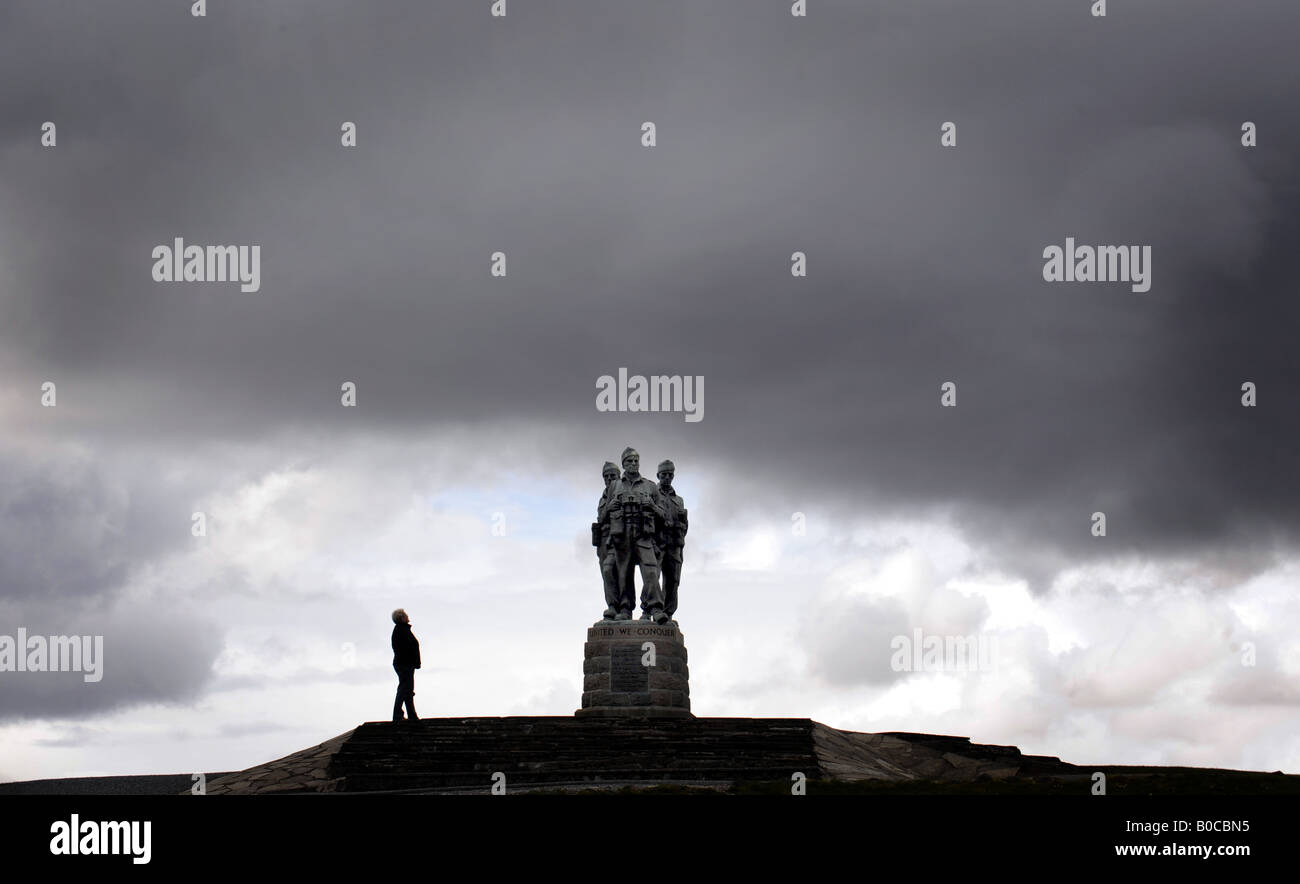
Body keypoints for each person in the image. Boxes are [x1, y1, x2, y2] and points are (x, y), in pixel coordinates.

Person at [600, 447, 668, 623]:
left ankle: (655, 608)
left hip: (643, 534)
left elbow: (664, 515)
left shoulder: (650, 486)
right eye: (629, 461)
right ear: (623, 464)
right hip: (622, 534)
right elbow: (602, 518)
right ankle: (625, 608)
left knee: (651, 570)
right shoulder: (615, 486)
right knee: (624, 573)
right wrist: (611, 506)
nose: (633, 464)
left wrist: (651, 506)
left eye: (635, 461)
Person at [655, 459, 687, 623]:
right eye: (664, 474)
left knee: (673, 580)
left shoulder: (679, 500)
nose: (667, 477)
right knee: (654, 577)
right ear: (658, 475)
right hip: (658, 542)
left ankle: (668, 613)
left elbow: (685, 523)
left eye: (670, 474)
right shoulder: (653, 494)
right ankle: (652, 610)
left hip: (674, 545)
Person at [594, 461, 622, 620]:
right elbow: (600, 518)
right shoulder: (603, 498)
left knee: (611, 570)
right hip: (603, 540)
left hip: (618, 539)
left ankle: (620, 607)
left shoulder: (621, 492)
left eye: (612, 476)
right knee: (607, 574)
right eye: (606, 476)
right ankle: (613, 606)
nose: (609, 479)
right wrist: (608, 508)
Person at [391, 608, 420, 723]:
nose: (408, 616)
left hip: (406, 664)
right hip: (404, 664)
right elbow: (405, 649)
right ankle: (397, 714)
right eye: (406, 615)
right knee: (404, 689)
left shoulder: (402, 630)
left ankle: (412, 715)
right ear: (401, 618)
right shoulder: (401, 630)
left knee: (408, 690)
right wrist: (413, 662)